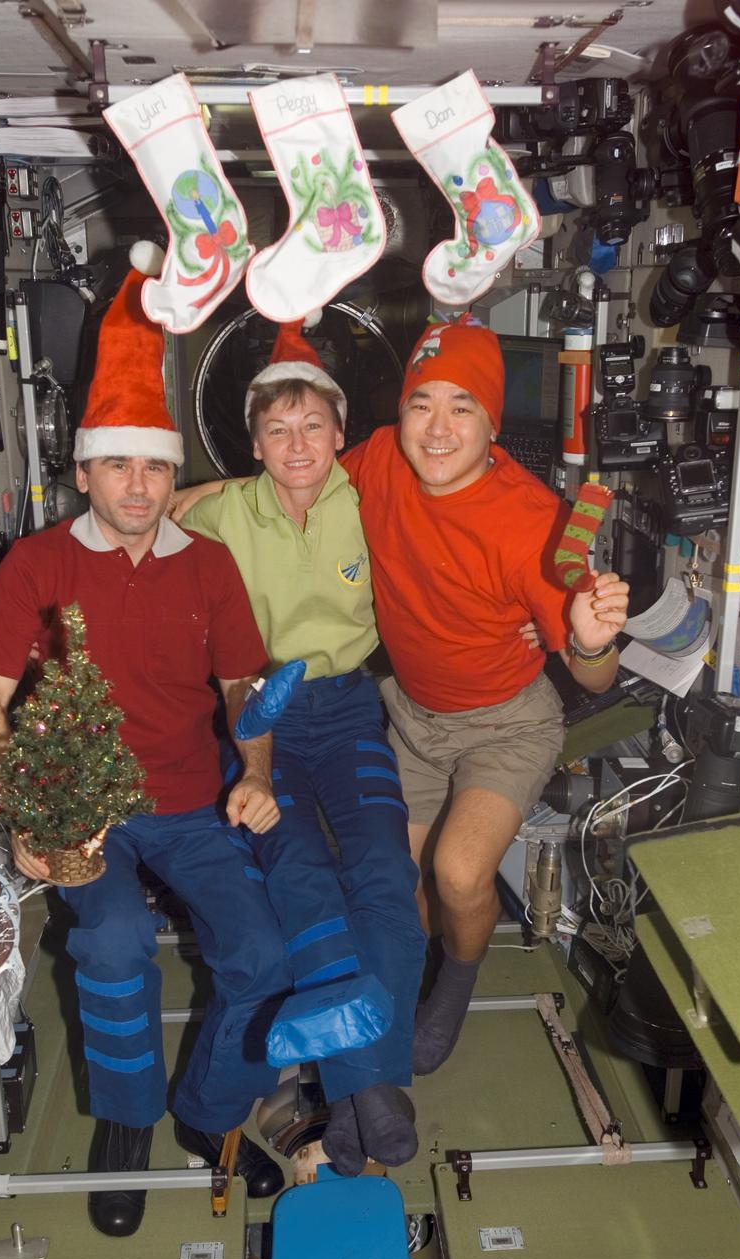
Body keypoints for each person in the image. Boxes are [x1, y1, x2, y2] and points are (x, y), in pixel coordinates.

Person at [174, 314, 630, 1080]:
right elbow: (298, 469)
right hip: (411, 717)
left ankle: (455, 983)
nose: (438, 429)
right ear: (400, 413)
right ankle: (382, 1028)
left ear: (492, 423)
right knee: (394, 890)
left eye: (462, 407)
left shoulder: (533, 526)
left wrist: (588, 642)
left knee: (458, 873)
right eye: (422, 404)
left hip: (505, 723)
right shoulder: (381, 458)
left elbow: (597, 680)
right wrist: (192, 492)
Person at [0, 268, 289, 1240]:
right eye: (117, 467)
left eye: (153, 466)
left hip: (188, 800)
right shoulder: (37, 564)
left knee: (262, 955)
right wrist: (27, 813)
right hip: (80, 808)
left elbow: (241, 688)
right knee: (109, 946)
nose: (138, 486)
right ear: (84, 471)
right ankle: (127, 1114)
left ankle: (207, 1107)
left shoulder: (210, 565)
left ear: (170, 472)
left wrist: (257, 770)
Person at [179, 322, 426, 1177]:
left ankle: (367, 1089)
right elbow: (138, 523)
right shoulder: (217, 513)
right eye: (276, 429)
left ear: (340, 431)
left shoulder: (371, 496)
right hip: (257, 717)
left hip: (350, 706)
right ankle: (366, 1090)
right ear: (252, 443)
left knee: (387, 875)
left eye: (313, 425)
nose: (296, 445)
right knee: (302, 876)